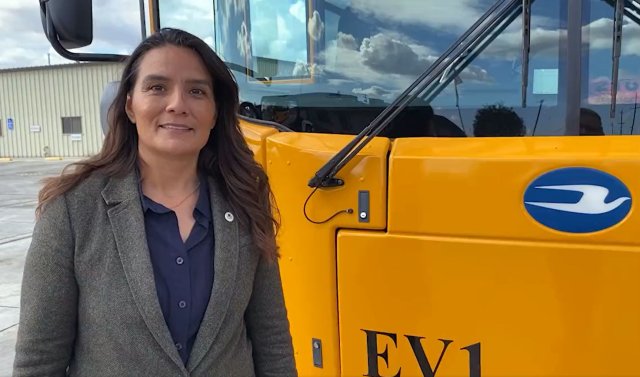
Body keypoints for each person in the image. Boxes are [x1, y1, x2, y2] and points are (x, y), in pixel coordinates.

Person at [13, 28, 297, 377]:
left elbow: (272, 344)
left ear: (214, 111)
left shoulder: (244, 201)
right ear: (130, 105)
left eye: (196, 91)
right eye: (157, 87)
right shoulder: (72, 211)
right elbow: (39, 362)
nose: (178, 104)